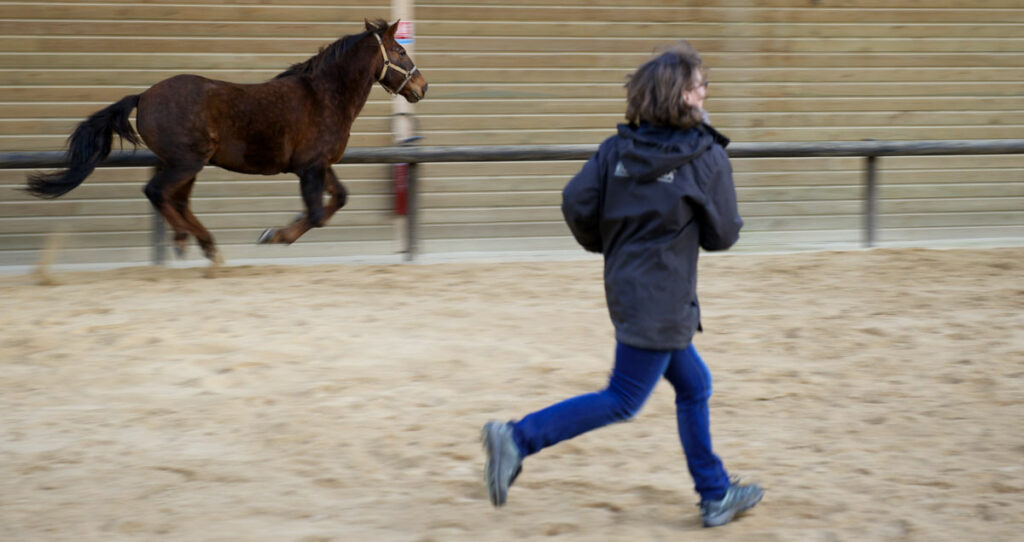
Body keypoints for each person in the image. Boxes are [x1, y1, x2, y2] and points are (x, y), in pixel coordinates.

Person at [481, 41, 763, 528]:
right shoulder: (707, 157)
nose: (707, 92)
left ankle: (715, 492)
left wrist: (610, 244)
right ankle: (516, 437)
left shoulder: (617, 150)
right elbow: (722, 235)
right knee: (624, 398)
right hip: (665, 301)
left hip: (629, 291)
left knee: (695, 384)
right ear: (682, 97)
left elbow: (576, 204)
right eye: (701, 86)